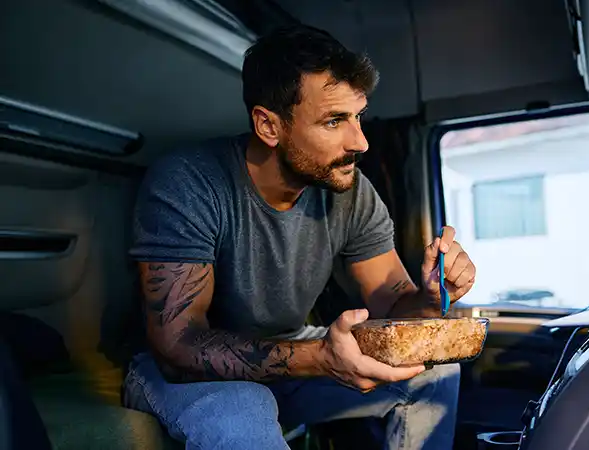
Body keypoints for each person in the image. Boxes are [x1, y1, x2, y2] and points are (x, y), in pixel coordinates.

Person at [122, 24, 477, 450]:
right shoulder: (189, 182)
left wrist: (430, 294)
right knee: (244, 408)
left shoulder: (351, 192)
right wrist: (320, 358)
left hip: (290, 347)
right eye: (334, 120)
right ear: (269, 126)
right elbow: (178, 348)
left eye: (358, 116)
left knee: (435, 372)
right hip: (177, 373)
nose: (360, 142)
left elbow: (394, 307)